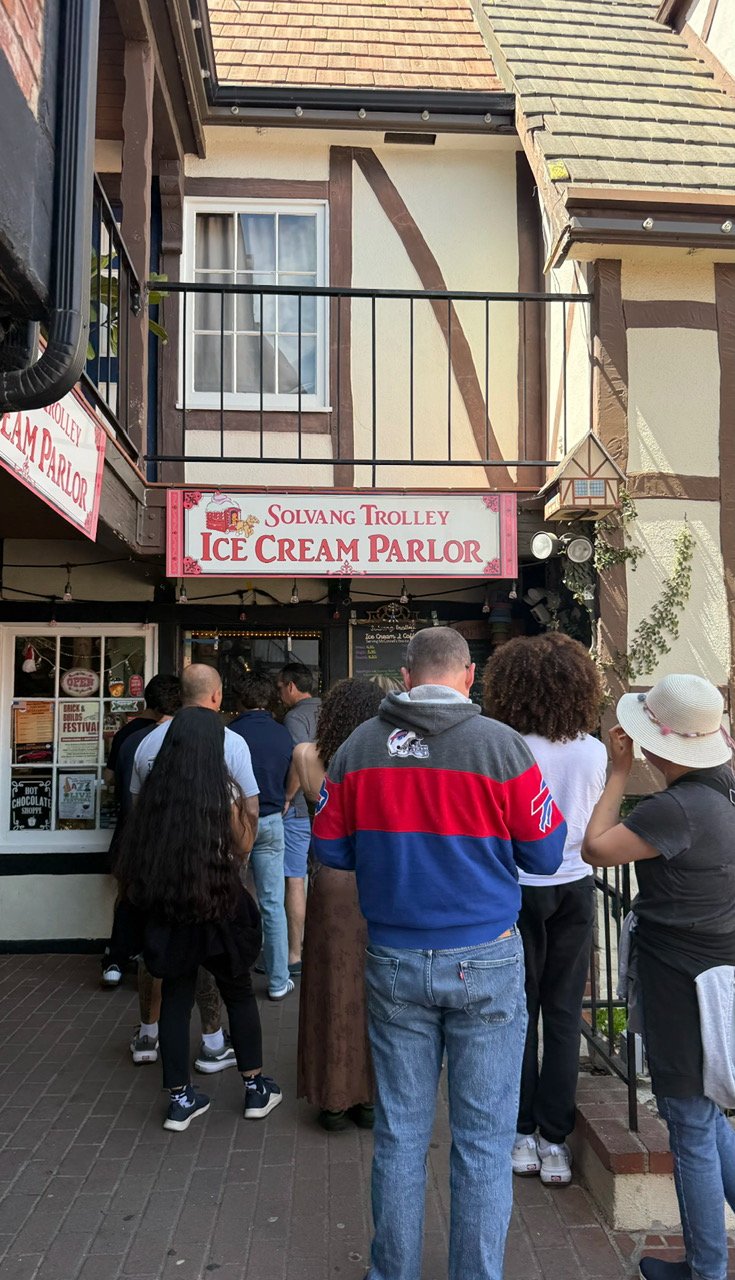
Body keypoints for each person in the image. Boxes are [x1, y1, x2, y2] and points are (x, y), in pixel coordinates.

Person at [312, 627, 567, 1280]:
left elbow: (331, 849)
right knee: (481, 1143)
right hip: (483, 954)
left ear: (404, 678)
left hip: (394, 955)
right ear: (467, 675)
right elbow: (542, 852)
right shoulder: (500, 746)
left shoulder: (358, 748)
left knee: (399, 1135)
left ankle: (390, 1273)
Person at [582, 674, 735, 1280]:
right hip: (717, 971)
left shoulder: (676, 810)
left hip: (681, 982)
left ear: (658, 744)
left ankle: (705, 1270)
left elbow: (595, 848)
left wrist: (617, 772)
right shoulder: (724, 793)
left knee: (691, 1125)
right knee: (705, 1113)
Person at [116, 706, 282, 1131]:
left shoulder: (154, 800)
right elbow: (245, 843)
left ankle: (179, 1098)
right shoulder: (222, 793)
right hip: (221, 905)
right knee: (239, 994)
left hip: (171, 909)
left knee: (175, 998)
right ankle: (254, 1088)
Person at [483, 633, 606, 1185]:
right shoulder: (594, 750)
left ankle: (519, 1131)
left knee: (517, 1013)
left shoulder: (505, 746)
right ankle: (554, 1140)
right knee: (561, 1014)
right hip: (575, 883)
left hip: (516, 883)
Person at [127, 664, 260, 1072]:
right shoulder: (233, 743)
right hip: (217, 875)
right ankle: (216, 1044)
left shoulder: (148, 743)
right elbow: (249, 814)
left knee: (168, 971)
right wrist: (237, 860)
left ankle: (167, 1070)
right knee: (230, 975)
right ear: (217, 697)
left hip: (163, 876)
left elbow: (137, 812)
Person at [293, 677, 383, 1131]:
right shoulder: (379, 756)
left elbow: (287, 801)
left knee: (330, 983)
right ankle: (369, 1098)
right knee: (375, 988)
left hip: (328, 877)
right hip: (376, 879)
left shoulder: (306, 756)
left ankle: (331, 1101)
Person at [101, 674, 182, 988]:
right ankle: (153, 960)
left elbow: (110, 779)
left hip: (128, 828)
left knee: (128, 897)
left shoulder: (127, 736)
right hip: (162, 832)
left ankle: (117, 960)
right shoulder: (175, 737)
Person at [229, 670, 295, 1001]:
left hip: (235, 821)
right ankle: (278, 979)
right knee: (273, 903)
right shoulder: (283, 734)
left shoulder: (228, 735)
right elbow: (294, 770)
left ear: (238, 699)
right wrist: (286, 797)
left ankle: (233, 969)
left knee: (231, 899)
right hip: (271, 819)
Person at [276, 663, 322, 975]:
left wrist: (289, 797)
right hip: (332, 804)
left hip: (303, 808)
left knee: (294, 879)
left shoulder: (295, 716)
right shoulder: (329, 708)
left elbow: (299, 758)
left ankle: (295, 953)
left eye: (280, 688)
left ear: (292, 687)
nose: (279, 694)